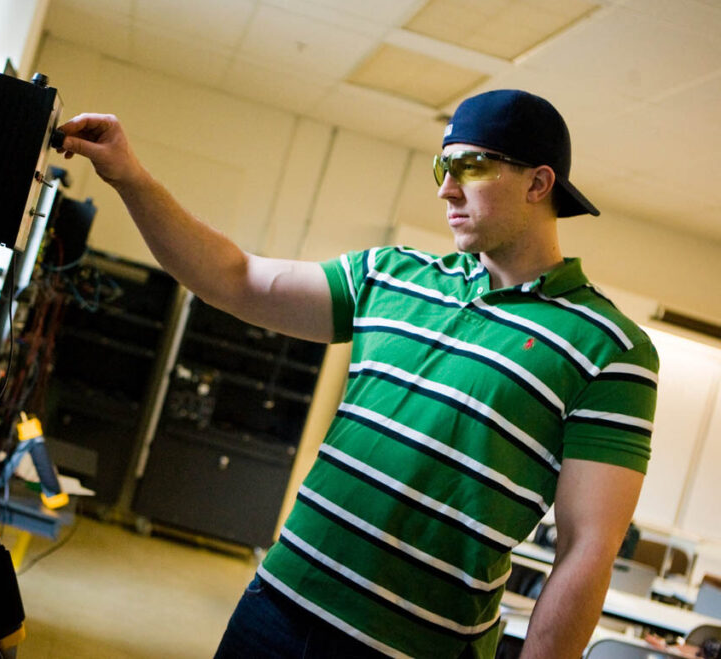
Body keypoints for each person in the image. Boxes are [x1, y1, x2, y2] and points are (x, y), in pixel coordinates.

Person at [55, 89, 659, 658]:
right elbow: (233, 279)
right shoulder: (388, 275)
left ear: (539, 182)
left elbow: (587, 548)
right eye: (440, 169)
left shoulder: (612, 348)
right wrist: (129, 176)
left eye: (470, 166)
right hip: (278, 607)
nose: (446, 190)